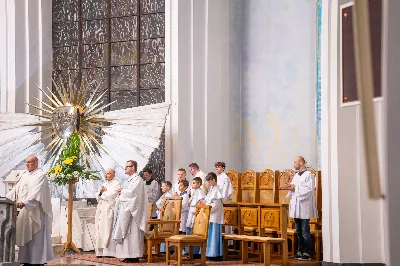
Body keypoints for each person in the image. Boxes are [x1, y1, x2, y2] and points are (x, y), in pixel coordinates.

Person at [6, 156, 53, 266]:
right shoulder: (25, 175)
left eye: (29, 162)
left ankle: (37, 260)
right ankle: (26, 259)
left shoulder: (41, 175)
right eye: (26, 162)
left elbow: (37, 192)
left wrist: (26, 203)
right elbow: (16, 189)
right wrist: (7, 199)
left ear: (36, 162)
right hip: (23, 211)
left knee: (36, 236)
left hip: (35, 210)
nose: (27, 165)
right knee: (25, 234)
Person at [113, 160, 149, 263]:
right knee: (126, 234)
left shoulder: (138, 180)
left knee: (132, 233)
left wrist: (122, 191)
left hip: (134, 212)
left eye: (127, 167)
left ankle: (134, 255)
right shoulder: (127, 180)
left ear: (133, 168)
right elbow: (125, 192)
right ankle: (127, 255)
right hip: (125, 208)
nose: (125, 169)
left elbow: (134, 194)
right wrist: (121, 192)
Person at [286, 156, 318, 261]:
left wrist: (295, 188)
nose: (293, 164)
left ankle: (308, 252)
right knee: (298, 230)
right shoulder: (296, 175)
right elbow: (294, 188)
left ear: (301, 162)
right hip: (296, 206)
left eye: (295, 162)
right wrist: (290, 187)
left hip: (304, 206)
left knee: (305, 230)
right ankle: (300, 250)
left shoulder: (309, 175)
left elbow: (309, 190)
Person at [95, 168, 121, 258]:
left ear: (113, 174)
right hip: (101, 208)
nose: (106, 175)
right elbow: (97, 196)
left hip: (109, 208)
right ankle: (101, 251)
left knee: (108, 228)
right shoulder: (104, 184)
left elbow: (112, 194)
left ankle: (110, 252)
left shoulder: (116, 183)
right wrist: (101, 193)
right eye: (105, 173)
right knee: (100, 229)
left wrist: (102, 194)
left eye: (108, 173)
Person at [199, 172, 224, 261]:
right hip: (210, 215)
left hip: (215, 216)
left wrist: (206, 204)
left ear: (214, 180)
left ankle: (214, 254)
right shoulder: (212, 189)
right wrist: (203, 202)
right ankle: (209, 252)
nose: (208, 183)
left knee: (214, 235)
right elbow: (207, 200)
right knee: (210, 234)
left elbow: (216, 205)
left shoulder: (217, 190)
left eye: (209, 181)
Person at [185, 177, 206, 257]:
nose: (192, 184)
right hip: (191, 213)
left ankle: (195, 252)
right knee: (189, 230)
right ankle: (188, 251)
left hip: (196, 215)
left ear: (199, 184)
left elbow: (201, 204)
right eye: (192, 183)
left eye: (194, 183)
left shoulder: (200, 192)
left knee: (195, 232)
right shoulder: (194, 192)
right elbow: (192, 200)